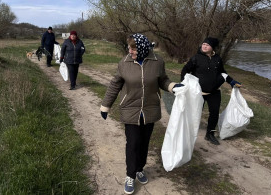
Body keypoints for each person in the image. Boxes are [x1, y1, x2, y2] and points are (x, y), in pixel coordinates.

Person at [100, 33, 183, 194]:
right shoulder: (124, 63)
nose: (130, 52)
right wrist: (105, 106)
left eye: (133, 49)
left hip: (150, 109)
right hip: (130, 109)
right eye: (129, 49)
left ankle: (139, 168)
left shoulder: (157, 61)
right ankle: (130, 175)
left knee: (144, 143)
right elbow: (114, 85)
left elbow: (163, 80)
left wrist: (172, 86)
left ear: (143, 48)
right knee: (132, 144)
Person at [181, 37, 242, 145]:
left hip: (214, 92)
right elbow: (185, 70)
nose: (204, 46)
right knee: (195, 112)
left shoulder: (217, 59)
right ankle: (188, 132)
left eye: (207, 45)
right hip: (199, 92)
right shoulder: (196, 58)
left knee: (214, 113)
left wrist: (232, 81)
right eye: (203, 44)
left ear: (212, 47)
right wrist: (183, 84)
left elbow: (223, 73)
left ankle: (210, 134)